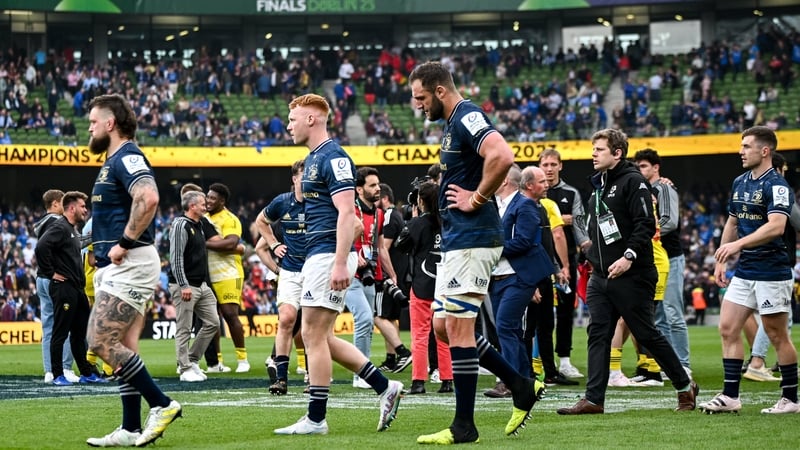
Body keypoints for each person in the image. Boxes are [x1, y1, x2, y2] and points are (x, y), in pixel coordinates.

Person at [409, 61, 544, 445]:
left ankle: (464, 426)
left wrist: (477, 197)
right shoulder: (453, 123)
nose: (417, 105)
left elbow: (502, 154)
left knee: (460, 327)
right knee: (443, 327)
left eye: (420, 97)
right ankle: (520, 385)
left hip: (473, 237)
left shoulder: (467, 116)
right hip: (458, 239)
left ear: (438, 91)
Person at [273, 93, 402, 435]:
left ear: (312, 119)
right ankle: (384, 387)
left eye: (293, 119)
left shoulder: (333, 157)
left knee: (311, 334)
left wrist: (340, 263)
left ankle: (316, 418)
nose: (289, 125)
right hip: (321, 254)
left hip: (328, 254)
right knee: (320, 337)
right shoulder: (315, 158)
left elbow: (348, 213)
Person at [557, 128, 697, 415]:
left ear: (617, 153)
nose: (593, 153)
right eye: (593, 148)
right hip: (601, 274)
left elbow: (646, 224)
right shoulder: (599, 183)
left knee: (646, 333)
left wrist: (628, 257)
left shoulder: (634, 182)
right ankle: (594, 400)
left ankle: (684, 385)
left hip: (632, 273)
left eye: (600, 149)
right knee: (598, 334)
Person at [84, 94, 181, 447]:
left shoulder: (128, 156)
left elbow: (149, 198)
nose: (90, 127)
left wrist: (123, 242)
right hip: (119, 263)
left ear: (110, 124)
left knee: (98, 341)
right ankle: (129, 427)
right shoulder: (112, 160)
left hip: (132, 260)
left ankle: (163, 403)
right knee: (123, 345)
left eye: (94, 121)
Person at [701, 126, 799, 414]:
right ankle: (730, 396)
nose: (740, 151)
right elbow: (732, 222)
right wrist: (721, 258)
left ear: (764, 151)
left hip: (772, 269)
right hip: (745, 270)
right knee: (728, 328)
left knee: (777, 334)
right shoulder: (740, 182)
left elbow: (776, 226)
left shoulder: (777, 186)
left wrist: (738, 246)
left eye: (746, 146)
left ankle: (791, 399)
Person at [488, 165, 558, 394]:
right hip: (499, 276)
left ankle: (509, 380)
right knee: (511, 329)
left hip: (519, 276)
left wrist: (492, 249)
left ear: (505, 180)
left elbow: (525, 241)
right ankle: (526, 379)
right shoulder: (497, 206)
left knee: (505, 326)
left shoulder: (525, 205)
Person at [35, 191, 107, 386]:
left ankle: (86, 372)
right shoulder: (59, 226)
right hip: (64, 287)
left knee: (78, 332)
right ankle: (57, 374)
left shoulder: (72, 230)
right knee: (60, 331)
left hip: (77, 288)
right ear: (72, 207)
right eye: (83, 206)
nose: (85, 210)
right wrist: (50, 272)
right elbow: (41, 247)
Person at [633, 148, 691, 374]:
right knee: (658, 316)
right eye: (637, 166)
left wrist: (642, 232)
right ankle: (668, 365)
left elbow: (669, 221)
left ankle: (683, 364)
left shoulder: (663, 188)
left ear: (656, 168)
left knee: (673, 311)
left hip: (671, 256)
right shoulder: (643, 190)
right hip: (652, 259)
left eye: (644, 166)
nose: (640, 170)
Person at [743, 151, 798, 383]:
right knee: (777, 317)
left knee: (779, 317)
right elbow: (796, 221)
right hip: (774, 263)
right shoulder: (779, 189)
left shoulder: (749, 189)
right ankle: (757, 361)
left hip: (756, 260)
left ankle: (772, 362)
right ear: (778, 168)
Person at [395, 181, 453, 395]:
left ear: (421, 201)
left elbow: (401, 245)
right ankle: (447, 380)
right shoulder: (448, 221)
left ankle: (419, 381)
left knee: (420, 334)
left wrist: (414, 217)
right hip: (445, 284)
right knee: (444, 333)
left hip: (421, 284)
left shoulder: (418, 223)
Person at [256, 159, 307, 395]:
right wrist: (275, 244)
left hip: (316, 270)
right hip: (290, 270)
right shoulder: (282, 203)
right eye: (303, 175)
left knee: (311, 327)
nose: (307, 179)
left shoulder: (321, 203)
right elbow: (261, 222)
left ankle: (313, 378)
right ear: (294, 179)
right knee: (287, 319)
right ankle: (281, 378)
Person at [539, 149, 590, 379]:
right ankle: (540, 360)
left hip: (566, 260)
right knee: (540, 314)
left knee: (566, 311)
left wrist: (588, 251)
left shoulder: (570, 193)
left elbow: (578, 224)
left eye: (552, 164)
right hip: (541, 261)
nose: (548, 169)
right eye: (545, 164)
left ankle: (565, 361)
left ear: (560, 166)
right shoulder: (532, 192)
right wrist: (562, 219)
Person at [168, 190, 219, 383]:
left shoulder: (199, 225)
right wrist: (183, 285)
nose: (205, 206)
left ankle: (192, 359)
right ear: (192, 206)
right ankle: (184, 368)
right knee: (184, 327)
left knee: (213, 322)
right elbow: (176, 257)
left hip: (201, 285)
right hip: (186, 285)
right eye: (202, 204)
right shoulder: (181, 225)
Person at [33, 189, 78, 384]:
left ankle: (49, 371)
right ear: (55, 204)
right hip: (55, 279)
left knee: (49, 326)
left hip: (41, 279)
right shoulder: (58, 223)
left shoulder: (41, 223)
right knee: (64, 325)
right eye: (63, 203)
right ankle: (65, 368)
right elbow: (68, 244)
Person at [205, 182, 250, 373]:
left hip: (228, 274)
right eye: (207, 197)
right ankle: (217, 362)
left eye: (213, 198)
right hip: (208, 274)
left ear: (222, 201)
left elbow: (230, 243)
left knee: (230, 315)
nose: (208, 201)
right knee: (212, 319)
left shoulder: (230, 219)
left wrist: (203, 243)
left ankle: (242, 359)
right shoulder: (203, 217)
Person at [377, 182, 414, 373]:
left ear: (384, 199)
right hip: (399, 273)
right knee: (389, 317)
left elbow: (384, 247)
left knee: (378, 315)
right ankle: (391, 358)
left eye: (377, 198)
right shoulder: (396, 216)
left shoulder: (389, 216)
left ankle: (402, 352)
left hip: (391, 275)